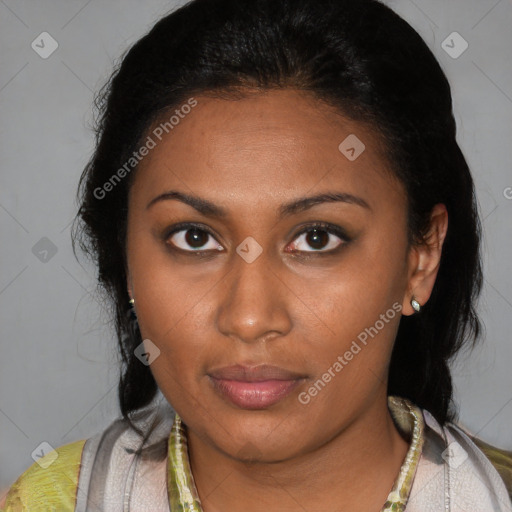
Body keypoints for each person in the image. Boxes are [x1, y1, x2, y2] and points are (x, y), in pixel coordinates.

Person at [2, 0, 511, 510]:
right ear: (125, 256)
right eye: (194, 238)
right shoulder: (50, 501)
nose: (248, 318)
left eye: (317, 238)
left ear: (420, 257)